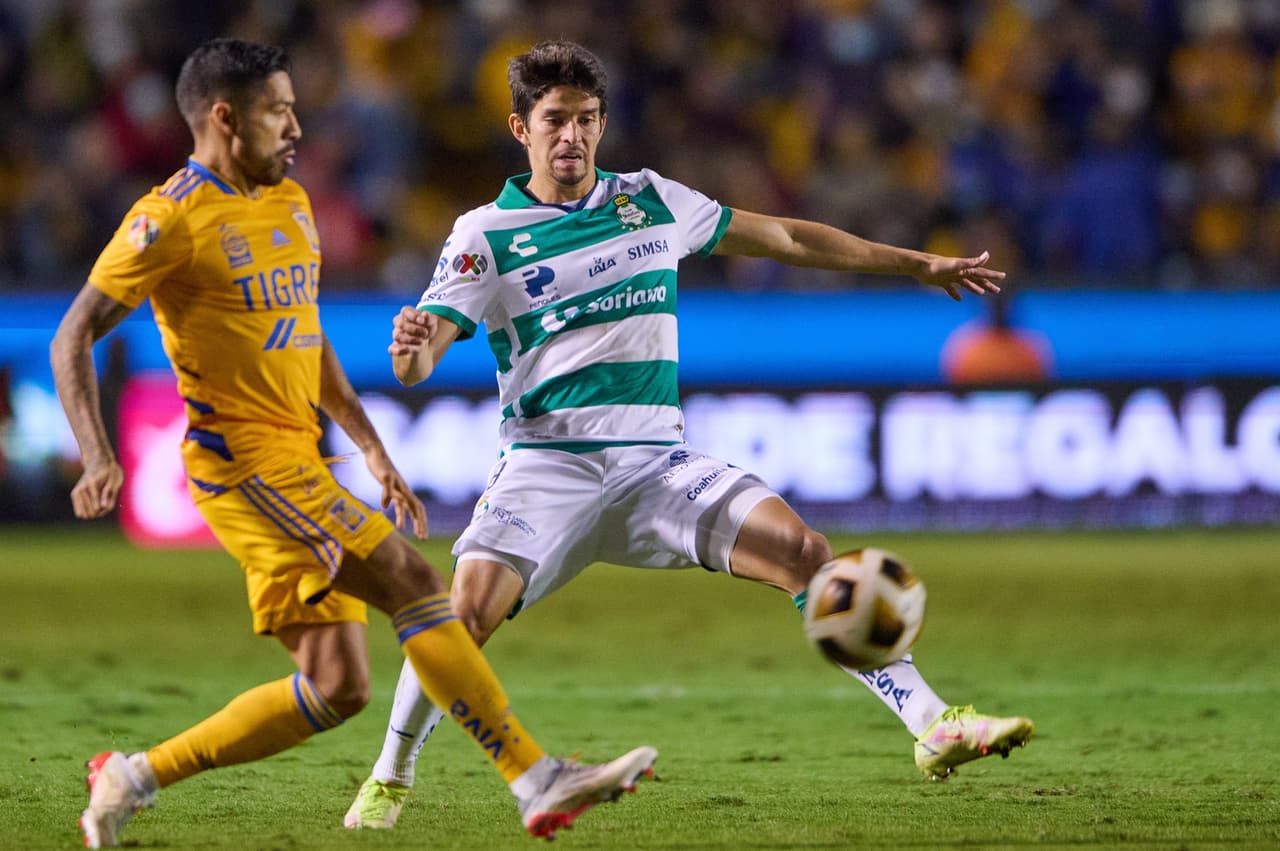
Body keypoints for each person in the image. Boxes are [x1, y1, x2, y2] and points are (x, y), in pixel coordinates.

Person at [344, 40, 1033, 830]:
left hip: (656, 465)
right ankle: (389, 778)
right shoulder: (485, 233)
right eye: (555, 120)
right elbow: (426, 348)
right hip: (547, 467)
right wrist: (412, 348)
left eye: (587, 120)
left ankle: (933, 725)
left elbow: (786, 239)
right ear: (519, 128)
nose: (573, 136)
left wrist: (912, 263)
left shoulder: (651, 200)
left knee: (805, 551)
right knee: (460, 617)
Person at [49, 38, 656, 849]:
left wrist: (369, 446)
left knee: (336, 687)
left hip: (300, 457)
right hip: (245, 465)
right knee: (412, 578)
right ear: (225, 118)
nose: (297, 126)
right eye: (279, 111)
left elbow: (307, 338)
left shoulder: (291, 203)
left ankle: (132, 774)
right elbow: (73, 332)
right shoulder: (171, 219)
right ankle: (535, 777)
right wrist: (96, 452)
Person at [941, 286, 1053, 384]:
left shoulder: (1030, 348)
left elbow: (1041, 385)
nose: (1000, 309)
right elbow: (955, 388)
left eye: (1004, 305)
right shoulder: (966, 349)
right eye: (995, 305)